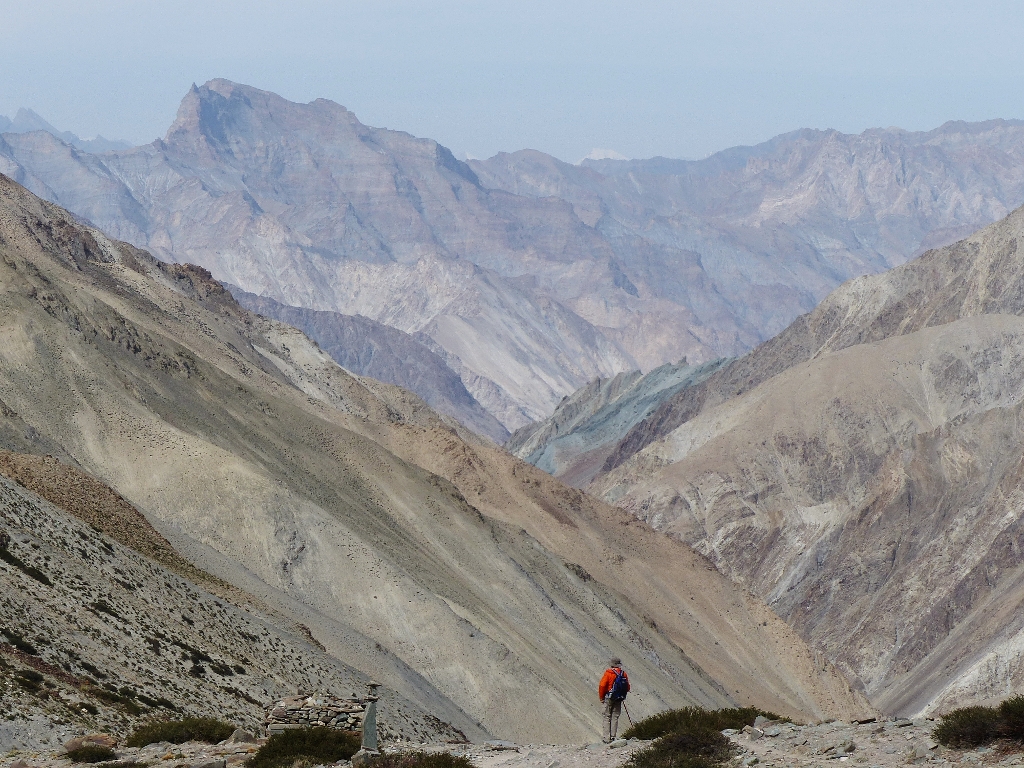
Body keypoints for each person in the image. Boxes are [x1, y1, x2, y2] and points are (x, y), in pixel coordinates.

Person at [598, 657, 630, 742]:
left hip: (609, 697)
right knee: (615, 716)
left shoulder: (608, 673)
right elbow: (627, 687)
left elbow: (602, 686)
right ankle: (613, 737)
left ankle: (606, 737)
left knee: (607, 716)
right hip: (619, 698)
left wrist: (601, 697)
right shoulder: (623, 674)